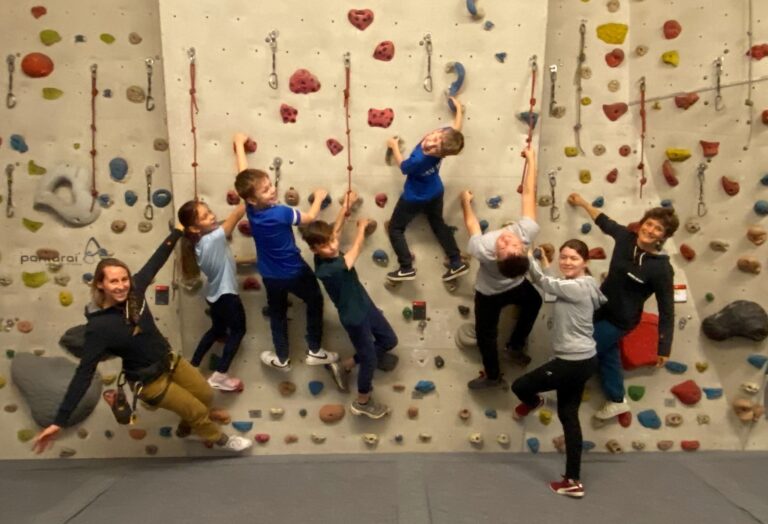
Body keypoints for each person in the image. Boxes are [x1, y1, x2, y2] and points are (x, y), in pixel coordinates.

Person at [32, 229, 252, 454]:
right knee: (195, 409)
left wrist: (177, 231)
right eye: (113, 281)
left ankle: (189, 429)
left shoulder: (135, 291)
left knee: (206, 395)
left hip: (170, 361)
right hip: (148, 382)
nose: (121, 286)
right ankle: (223, 440)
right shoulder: (98, 328)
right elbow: (83, 374)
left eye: (124, 279)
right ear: (100, 285)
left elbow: (157, 259)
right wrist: (58, 422)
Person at [233, 132, 338, 372]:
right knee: (315, 300)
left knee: (278, 314)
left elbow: (241, 176)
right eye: (266, 190)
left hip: (270, 276)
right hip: (295, 271)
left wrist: (239, 145)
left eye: (270, 186)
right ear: (252, 197)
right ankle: (314, 350)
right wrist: (319, 197)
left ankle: (282, 357)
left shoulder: (251, 210)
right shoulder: (280, 213)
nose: (272, 191)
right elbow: (309, 218)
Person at [568, 194, 678, 419]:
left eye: (658, 229)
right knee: (608, 354)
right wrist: (582, 202)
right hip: (600, 308)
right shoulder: (626, 238)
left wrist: (664, 347)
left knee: (581, 351)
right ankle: (617, 399)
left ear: (664, 236)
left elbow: (667, 310)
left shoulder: (661, 269)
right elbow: (604, 221)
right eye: (648, 224)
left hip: (620, 320)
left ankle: (561, 389)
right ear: (641, 224)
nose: (650, 230)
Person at [511, 240, 606, 498]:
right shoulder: (581, 285)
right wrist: (545, 263)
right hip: (584, 359)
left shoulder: (578, 286)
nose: (566, 262)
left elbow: (545, 284)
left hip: (572, 362)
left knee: (520, 386)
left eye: (573, 258)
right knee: (568, 415)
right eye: (563, 257)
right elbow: (552, 292)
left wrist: (529, 256)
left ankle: (535, 401)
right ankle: (573, 481)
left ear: (585, 262)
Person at [301, 192, 399, 419]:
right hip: (354, 317)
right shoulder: (329, 268)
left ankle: (345, 364)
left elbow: (334, 232)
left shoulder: (326, 251)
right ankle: (362, 401)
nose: (333, 247)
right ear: (315, 250)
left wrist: (345, 207)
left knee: (389, 340)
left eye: (332, 242)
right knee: (370, 359)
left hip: (365, 305)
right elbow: (355, 251)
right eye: (325, 246)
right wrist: (362, 228)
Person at [459, 148, 543, 389]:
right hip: (502, 289)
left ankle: (513, 349)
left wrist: (465, 202)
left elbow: (472, 224)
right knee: (490, 334)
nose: (507, 238)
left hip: (499, 289)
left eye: (508, 244)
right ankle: (498, 370)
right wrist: (532, 159)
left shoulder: (486, 247)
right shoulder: (521, 234)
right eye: (510, 244)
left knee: (490, 332)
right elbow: (529, 194)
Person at [385, 96, 469, 282]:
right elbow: (456, 129)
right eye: (435, 138)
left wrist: (394, 147)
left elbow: (403, 167)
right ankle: (456, 261)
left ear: (441, 154)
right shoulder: (447, 138)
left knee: (395, 229)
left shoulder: (418, 160)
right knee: (438, 223)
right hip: (435, 192)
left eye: (434, 149)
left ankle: (406, 267)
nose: (429, 144)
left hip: (414, 198)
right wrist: (459, 112)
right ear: (441, 131)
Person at [177, 199, 246, 391]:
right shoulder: (214, 238)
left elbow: (224, 261)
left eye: (210, 212)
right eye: (205, 216)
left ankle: (193, 366)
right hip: (226, 295)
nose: (212, 216)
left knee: (216, 330)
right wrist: (249, 194)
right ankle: (220, 374)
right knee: (239, 331)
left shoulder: (199, 244)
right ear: (193, 228)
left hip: (215, 295)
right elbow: (238, 213)